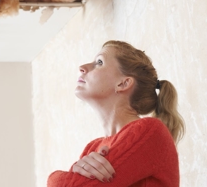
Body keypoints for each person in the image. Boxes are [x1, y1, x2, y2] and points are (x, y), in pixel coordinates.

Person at [47, 40, 185, 187]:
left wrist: (53, 178)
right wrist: (74, 170)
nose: (82, 68)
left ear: (123, 83)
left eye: (99, 62)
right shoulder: (93, 147)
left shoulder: (149, 130)